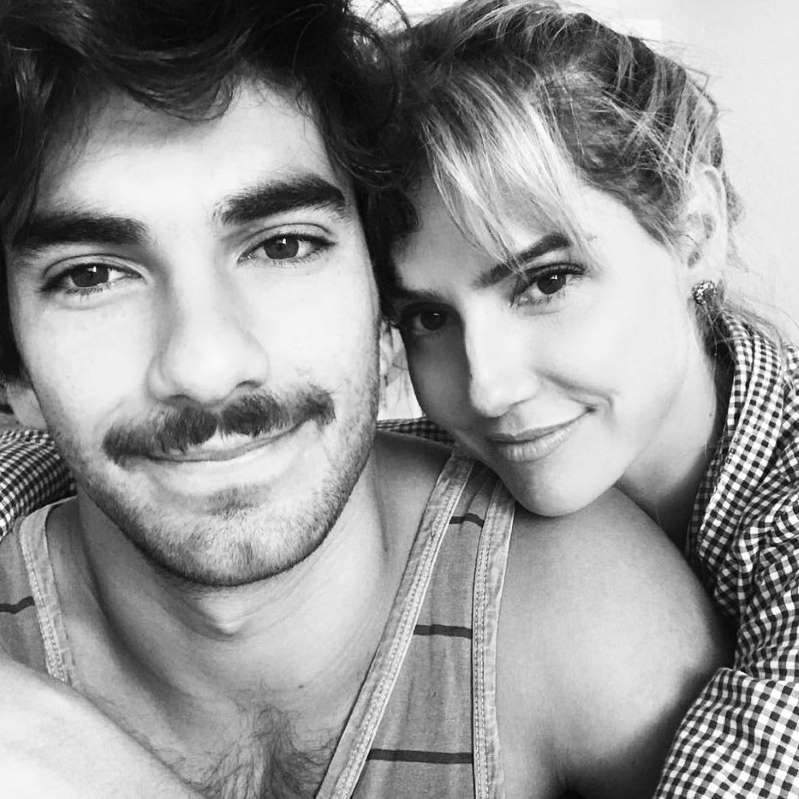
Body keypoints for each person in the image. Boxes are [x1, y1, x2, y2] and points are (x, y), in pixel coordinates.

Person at [0, 0, 727, 796]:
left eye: (283, 245)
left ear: (377, 313)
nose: (206, 365)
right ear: (14, 367)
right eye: (90, 275)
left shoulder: (596, 621)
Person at [369, 1, 799, 796]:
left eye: (545, 282)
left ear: (694, 232)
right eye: (427, 317)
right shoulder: (436, 475)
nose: (486, 385)